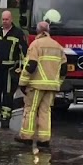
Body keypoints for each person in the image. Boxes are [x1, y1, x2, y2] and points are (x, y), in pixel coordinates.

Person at [17, 17, 67, 148]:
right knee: (46, 111)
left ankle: (27, 137)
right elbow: (64, 69)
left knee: (31, 109)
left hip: (36, 85)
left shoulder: (35, 45)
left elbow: (31, 65)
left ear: (38, 31)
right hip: (51, 86)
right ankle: (44, 139)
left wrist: (22, 82)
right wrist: (58, 82)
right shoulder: (58, 47)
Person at [0, 10, 27, 129]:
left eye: (6, 19)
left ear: (11, 19)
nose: (4, 21)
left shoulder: (18, 33)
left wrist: (22, 68)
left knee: (8, 94)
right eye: (3, 19)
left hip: (10, 69)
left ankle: (5, 119)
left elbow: (24, 52)